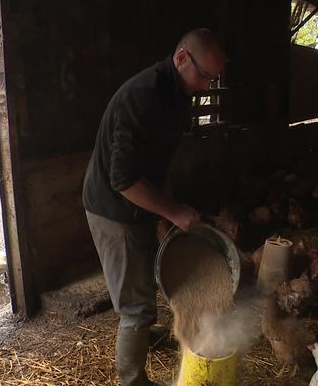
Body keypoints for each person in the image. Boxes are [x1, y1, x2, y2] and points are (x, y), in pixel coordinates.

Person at [82, 29, 225, 386]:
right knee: (136, 306)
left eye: (213, 78)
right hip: (113, 208)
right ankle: (132, 379)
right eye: (204, 76)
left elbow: (159, 164)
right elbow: (123, 179)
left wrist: (166, 211)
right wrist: (174, 212)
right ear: (181, 58)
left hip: (137, 201)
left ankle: (145, 333)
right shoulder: (142, 96)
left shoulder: (177, 96)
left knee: (145, 278)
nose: (207, 86)